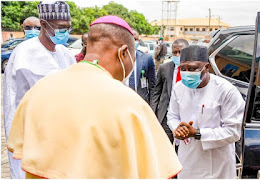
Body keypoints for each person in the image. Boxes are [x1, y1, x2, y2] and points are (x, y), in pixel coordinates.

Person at [7, 15, 182, 179]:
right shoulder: (131, 105)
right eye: (132, 57)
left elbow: (18, 149)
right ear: (123, 53)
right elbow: (155, 170)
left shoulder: (38, 91)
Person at [3, 1, 75, 178]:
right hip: (30, 131)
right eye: (60, 27)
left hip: (56, 131)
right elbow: (54, 89)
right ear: (44, 24)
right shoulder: (27, 52)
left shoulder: (63, 52)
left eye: (68, 28)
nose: (65, 32)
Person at [167, 45, 245, 179]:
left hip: (216, 164)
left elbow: (233, 132)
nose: (187, 73)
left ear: (207, 67)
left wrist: (197, 133)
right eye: (183, 69)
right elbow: (172, 116)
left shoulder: (226, 91)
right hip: (188, 160)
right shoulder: (179, 88)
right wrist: (177, 129)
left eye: (192, 69)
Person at [151, 39, 189, 144]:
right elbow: (157, 92)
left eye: (180, 52)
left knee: (181, 149)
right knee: (163, 147)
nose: (177, 55)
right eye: (174, 52)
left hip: (185, 117)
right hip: (166, 116)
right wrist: (153, 113)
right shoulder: (164, 68)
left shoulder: (193, 70)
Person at [125, 29, 155, 104]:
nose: (133, 42)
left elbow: (152, 85)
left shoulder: (147, 58)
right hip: (123, 101)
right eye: (131, 38)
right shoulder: (118, 58)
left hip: (141, 102)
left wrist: (152, 106)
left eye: (135, 39)